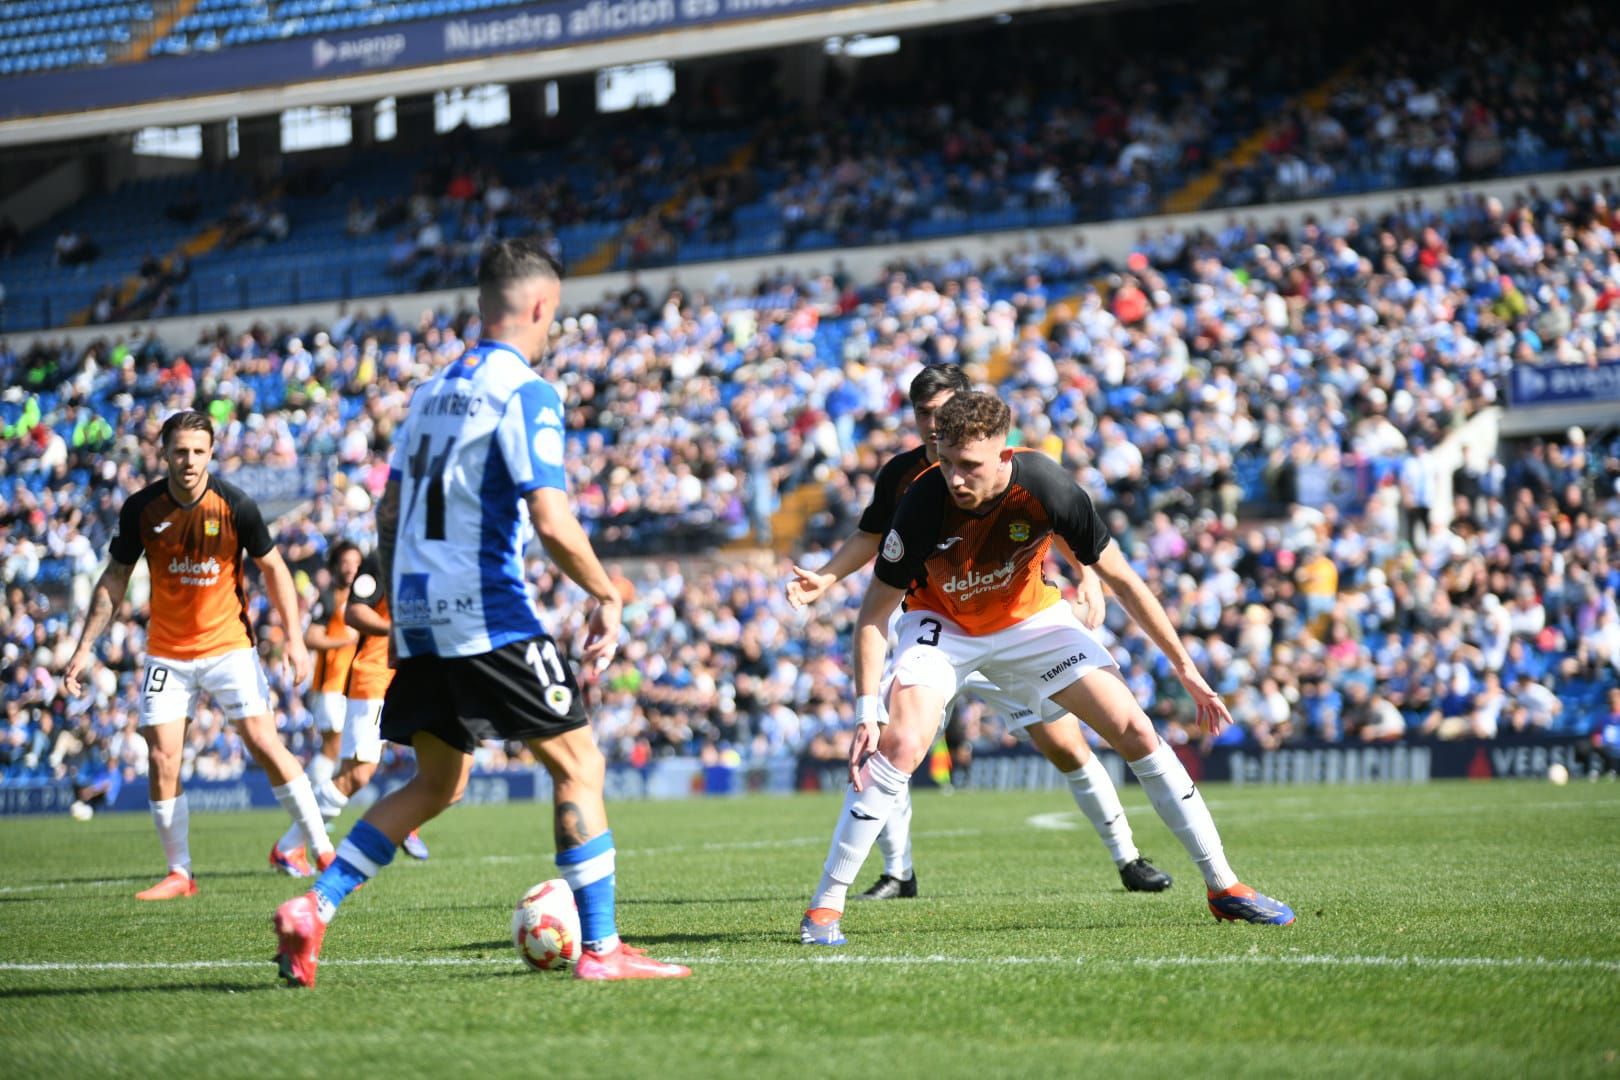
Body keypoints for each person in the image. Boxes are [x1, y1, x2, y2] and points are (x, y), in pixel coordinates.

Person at [272, 238, 689, 985]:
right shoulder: (526, 391)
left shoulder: (427, 395)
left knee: (438, 783)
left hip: (421, 614)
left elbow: (390, 512)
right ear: (540, 307)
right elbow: (554, 521)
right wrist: (603, 593)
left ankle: (316, 905)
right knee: (579, 763)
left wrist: (403, 614)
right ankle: (601, 951)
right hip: (490, 613)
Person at [800, 393, 1293, 946]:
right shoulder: (920, 503)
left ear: (1005, 454)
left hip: (1030, 621)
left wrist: (1186, 669)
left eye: (971, 467)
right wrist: (867, 712)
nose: (956, 479)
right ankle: (825, 907)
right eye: (948, 463)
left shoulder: (1046, 487)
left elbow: (1125, 580)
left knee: (1134, 731)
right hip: (943, 627)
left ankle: (1224, 886)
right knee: (901, 746)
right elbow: (872, 616)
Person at [788, 364, 1171, 899]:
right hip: (936, 630)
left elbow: (1058, 522)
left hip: (1013, 626)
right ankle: (898, 871)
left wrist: (1087, 578)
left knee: (1064, 746)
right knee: (898, 742)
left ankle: (1127, 856)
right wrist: (826, 578)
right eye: (923, 414)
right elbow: (871, 537)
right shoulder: (904, 477)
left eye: (942, 412)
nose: (932, 424)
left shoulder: (1013, 472)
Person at [63, 410, 334, 900]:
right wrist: (84, 647)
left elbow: (273, 569)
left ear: (211, 453)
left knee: (264, 743)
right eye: (180, 451)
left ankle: (322, 849)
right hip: (167, 653)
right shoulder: (141, 509)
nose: (188, 460)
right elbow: (114, 578)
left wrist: (294, 638)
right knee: (162, 755)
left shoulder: (236, 505)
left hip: (229, 647)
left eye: (198, 451)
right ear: (164, 453)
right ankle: (179, 873)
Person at [271, 549, 429, 874]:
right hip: (372, 677)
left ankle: (406, 819)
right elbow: (355, 614)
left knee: (358, 771)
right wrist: (398, 631)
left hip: (400, 676)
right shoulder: (383, 558)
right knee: (355, 775)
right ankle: (292, 846)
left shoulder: (427, 554)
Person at [270, 541, 362, 875]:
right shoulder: (328, 596)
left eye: (356, 562)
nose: (351, 568)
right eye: (346, 562)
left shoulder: (358, 596)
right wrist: (345, 640)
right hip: (329, 686)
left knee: (344, 757)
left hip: (349, 687)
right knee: (337, 752)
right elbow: (309, 636)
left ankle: (305, 822)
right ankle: (306, 816)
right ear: (336, 565)